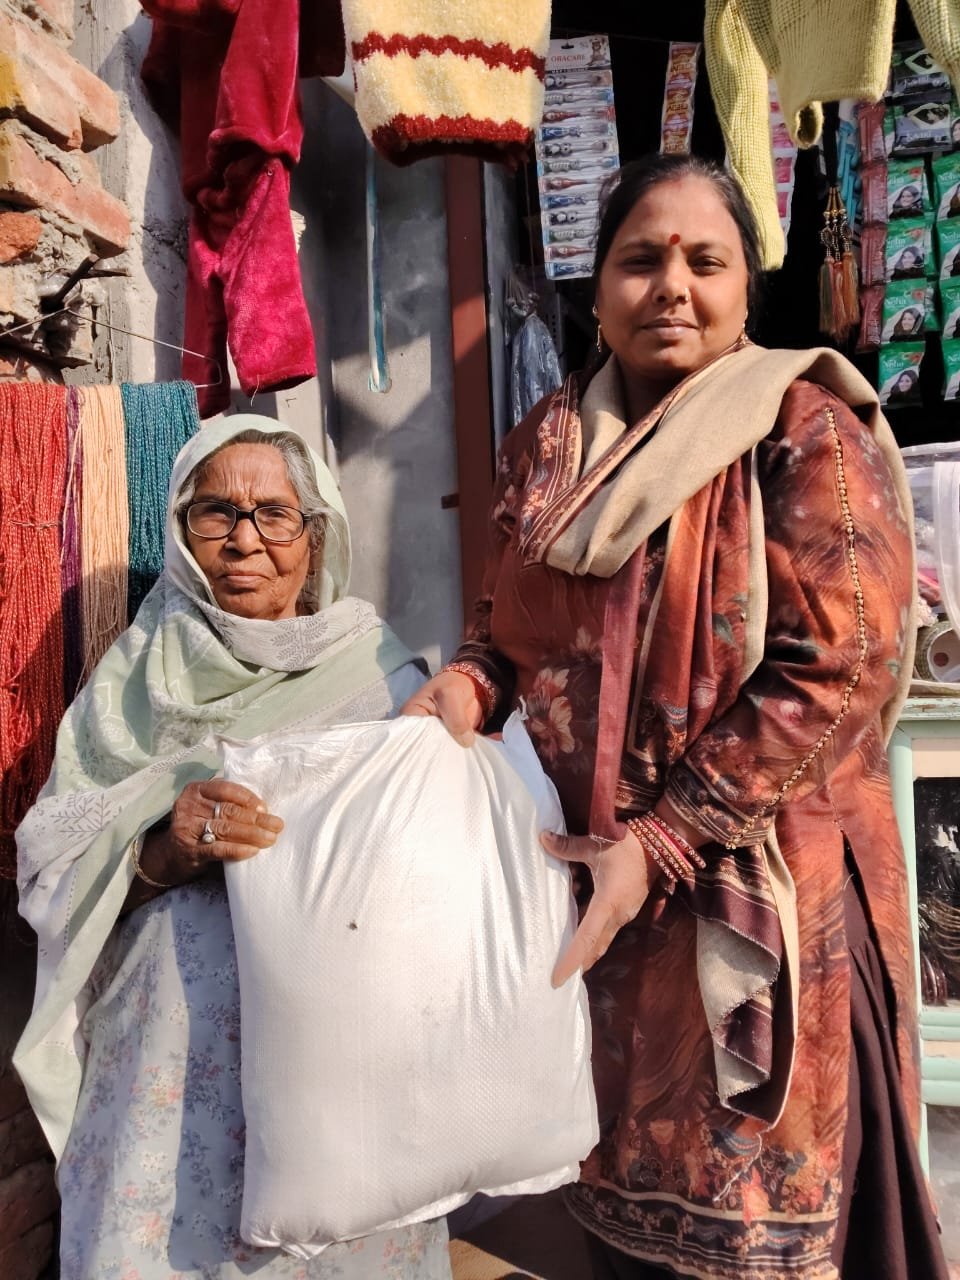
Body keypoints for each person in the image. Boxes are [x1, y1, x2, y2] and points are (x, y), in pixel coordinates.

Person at [403, 154, 947, 1280]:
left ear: (748, 289)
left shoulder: (801, 426)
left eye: (707, 261)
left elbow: (844, 662)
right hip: (587, 898)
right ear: (598, 287)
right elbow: (506, 622)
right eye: (641, 259)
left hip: (756, 891)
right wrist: (468, 684)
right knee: (607, 1203)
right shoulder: (550, 445)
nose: (673, 287)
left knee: (754, 1226)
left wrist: (660, 841)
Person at [15, 416, 451, 1280]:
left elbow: (435, 866)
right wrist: (162, 849)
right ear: (183, 533)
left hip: (339, 1051)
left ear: (315, 536)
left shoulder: (381, 676)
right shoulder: (133, 681)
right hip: (168, 1061)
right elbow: (50, 861)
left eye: (274, 515)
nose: (244, 539)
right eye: (216, 512)